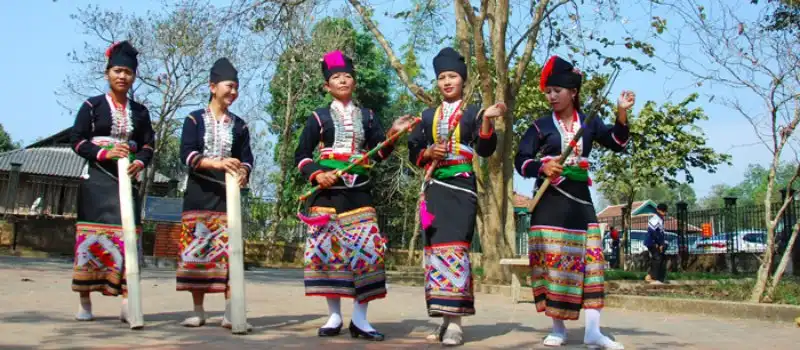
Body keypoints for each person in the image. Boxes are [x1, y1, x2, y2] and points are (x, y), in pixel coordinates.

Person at [514, 55, 635, 349]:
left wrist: (621, 112)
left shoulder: (590, 123)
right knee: (553, 265)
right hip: (549, 203)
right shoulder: (540, 126)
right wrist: (542, 167)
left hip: (581, 203)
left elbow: (618, 143)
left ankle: (593, 331)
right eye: (548, 91)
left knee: (592, 263)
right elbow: (521, 161)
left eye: (557, 90)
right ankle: (558, 328)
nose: (552, 96)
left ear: (573, 93)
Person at [294, 50, 412, 341]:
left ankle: (360, 319)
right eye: (336, 77)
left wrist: (394, 134)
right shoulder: (318, 117)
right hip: (326, 194)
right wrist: (317, 174)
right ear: (327, 86)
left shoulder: (369, 116)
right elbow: (301, 155)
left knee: (368, 253)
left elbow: (380, 153)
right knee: (329, 255)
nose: (343, 79)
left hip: (359, 193)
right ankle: (334, 316)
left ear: (354, 82)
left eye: (347, 75)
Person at [407, 47, 505, 346]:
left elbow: (486, 150)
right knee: (435, 254)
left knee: (456, 251)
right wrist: (427, 152)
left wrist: (487, 120)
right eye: (441, 77)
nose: (447, 82)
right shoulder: (426, 116)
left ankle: (456, 324)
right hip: (434, 189)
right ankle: (442, 318)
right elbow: (414, 151)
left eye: (452, 76)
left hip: (461, 189)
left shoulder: (474, 112)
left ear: (463, 80)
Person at [70, 40, 155, 323]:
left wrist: (139, 161)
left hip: (127, 182)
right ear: (107, 73)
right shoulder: (91, 106)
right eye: (117, 70)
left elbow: (148, 146)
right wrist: (104, 153)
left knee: (128, 238)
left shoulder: (141, 112)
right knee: (91, 239)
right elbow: (77, 140)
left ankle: (127, 301)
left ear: (134, 77)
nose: (122, 76)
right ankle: (85, 302)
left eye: (128, 72)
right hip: (96, 182)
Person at [176, 57, 254, 330]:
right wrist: (217, 163)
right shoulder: (193, 119)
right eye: (229, 86)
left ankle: (231, 311)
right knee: (197, 252)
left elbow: (247, 158)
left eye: (236, 88)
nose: (233, 92)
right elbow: (186, 154)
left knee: (231, 253)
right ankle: (198, 311)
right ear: (212, 87)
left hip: (227, 198)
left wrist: (243, 171)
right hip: (198, 193)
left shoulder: (240, 125)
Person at [645, 203, 668, 284]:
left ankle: (660, 278)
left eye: (665, 211)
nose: (664, 213)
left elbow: (660, 233)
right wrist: (658, 243)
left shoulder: (660, 219)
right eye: (662, 211)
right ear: (657, 210)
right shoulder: (655, 219)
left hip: (658, 243)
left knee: (661, 259)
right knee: (657, 259)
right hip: (652, 242)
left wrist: (662, 243)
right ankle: (651, 277)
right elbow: (653, 232)